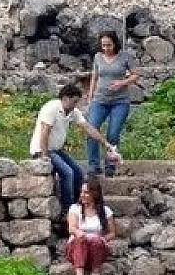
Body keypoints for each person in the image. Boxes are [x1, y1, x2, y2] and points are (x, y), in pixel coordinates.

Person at [31, 81, 118, 222]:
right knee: (67, 172)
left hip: (57, 150)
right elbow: (44, 132)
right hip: (42, 150)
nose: (75, 106)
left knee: (78, 172)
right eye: (74, 102)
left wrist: (106, 144)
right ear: (65, 98)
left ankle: (80, 205)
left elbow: (88, 128)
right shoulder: (51, 108)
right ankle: (68, 210)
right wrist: (44, 156)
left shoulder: (73, 112)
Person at [85, 30, 139, 175]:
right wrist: (90, 98)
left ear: (114, 43)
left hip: (120, 101)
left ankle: (110, 165)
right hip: (100, 99)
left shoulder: (125, 57)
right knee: (92, 129)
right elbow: (94, 77)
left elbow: (136, 75)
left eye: (109, 45)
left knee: (113, 134)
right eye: (103, 45)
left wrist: (122, 83)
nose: (106, 48)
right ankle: (93, 164)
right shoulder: (97, 57)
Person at [66, 178, 116, 275]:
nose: (82, 195)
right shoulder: (75, 208)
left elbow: (112, 233)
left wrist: (103, 238)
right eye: (82, 192)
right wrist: (78, 232)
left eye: (86, 192)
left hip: (95, 249)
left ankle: (95, 274)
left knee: (96, 241)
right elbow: (71, 228)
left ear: (95, 194)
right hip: (76, 248)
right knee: (80, 239)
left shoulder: (106, 211)